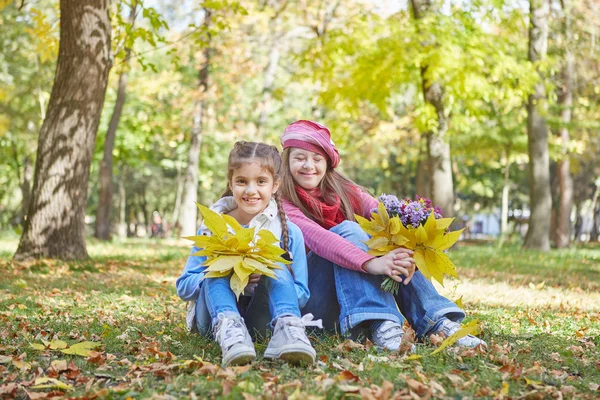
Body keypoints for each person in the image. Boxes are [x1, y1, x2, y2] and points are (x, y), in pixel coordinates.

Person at [279, 120, 486, 351]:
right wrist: (372, 263)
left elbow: (381, 213)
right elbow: (320, 239)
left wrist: (409, 240)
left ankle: (437, 322)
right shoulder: (281, 202)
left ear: (327, 163)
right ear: (286, 160)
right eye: (299, 158)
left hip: (347, 299)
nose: (309, 165)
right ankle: (381, 324)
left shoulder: (344, 191)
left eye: (317, 159)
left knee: (390, 236)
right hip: (311, 305)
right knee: (349, 230)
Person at [176, 141, 321, 366]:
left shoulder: (289, 232)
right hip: (214, 320)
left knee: (275, 264)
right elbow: (184, 286)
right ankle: (231, 332)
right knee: (219, 265)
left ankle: (289, 330)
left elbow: (302, 293)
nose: (251, 190)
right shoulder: (213, 227)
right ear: (231, 184)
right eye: (242, 181)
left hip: (262, 321)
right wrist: (224, 270)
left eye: (261, 181)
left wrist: (265, 278)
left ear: (275, 185)